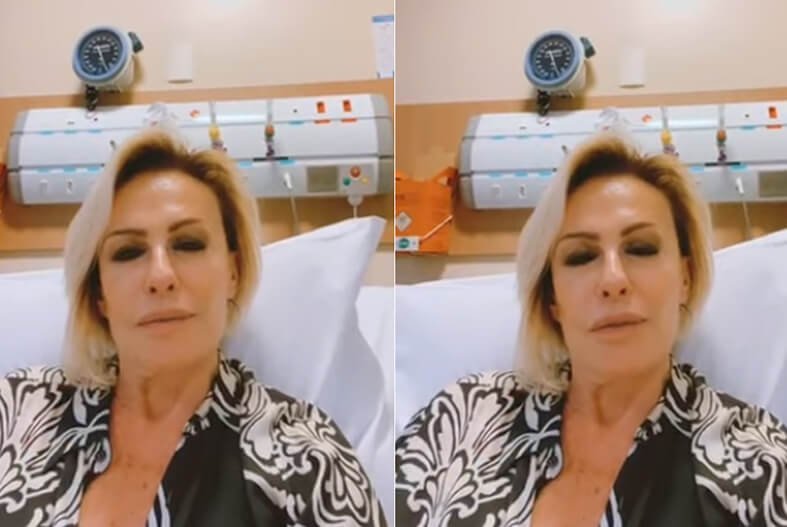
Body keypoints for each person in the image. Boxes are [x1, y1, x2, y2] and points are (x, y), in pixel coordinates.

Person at [395, 133, 787, 526]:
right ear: (552, 298)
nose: (613, 280)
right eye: (581, 256)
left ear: (685, 277)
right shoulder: (462, 419)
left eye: (641, 249)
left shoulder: (758, 465)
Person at [0, 128, 385, 526]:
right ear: (100, 294)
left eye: (188, 244)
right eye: (128, 252)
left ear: (233, 272)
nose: (160, 276)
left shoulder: (306, 459)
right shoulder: (20, 411)